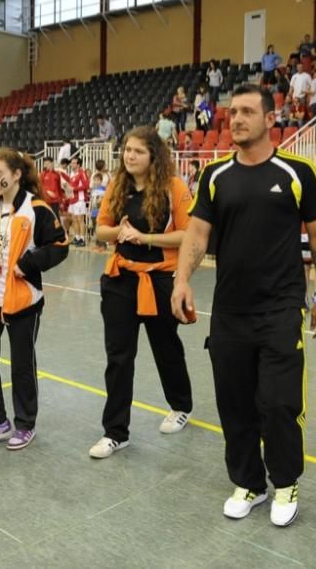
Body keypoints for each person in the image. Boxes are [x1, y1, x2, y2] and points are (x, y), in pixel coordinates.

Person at [172, 83, 316, 527]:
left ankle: (285, 482)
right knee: (235, 403)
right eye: (232, 113)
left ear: (269, 118)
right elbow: (198, 233)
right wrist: (181, 280)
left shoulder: (298, 172)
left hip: (282, 309)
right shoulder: (215, 176)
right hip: (229, 312)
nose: (237, 119)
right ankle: (249, 483)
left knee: (280, 402)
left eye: (247, 112)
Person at [88, 127, 194, 458]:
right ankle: (115, 432)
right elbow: (101, 229)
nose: (130, 156)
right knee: (118, 356)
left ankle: (181, 405)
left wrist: (144, 239)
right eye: (127, 150)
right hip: (120, 279)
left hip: (161, 280)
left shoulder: (173, 188)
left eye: (138, 151)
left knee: (166, 347)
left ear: (154, 157)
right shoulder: (117, 187)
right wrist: (120, 233)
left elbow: (188, 235)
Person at [0, 148, 69, 451]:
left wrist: (30, 263)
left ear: (16, 175)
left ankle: (25, 423)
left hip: (23, 299)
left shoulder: (36, 208)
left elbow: (60, 245)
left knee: (22, 363)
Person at [66, 157, 90, 247]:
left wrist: (74, 188)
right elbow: (71, 187)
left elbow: (86, 185)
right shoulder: (72, 174)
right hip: (72, 199)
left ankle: (82, 239)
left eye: (73, 163)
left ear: (78, 164)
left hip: (80, 199)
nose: (72, 164)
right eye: (71, 163)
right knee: (74, 219)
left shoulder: (82, 173)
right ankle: (77, 237)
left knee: (80, 220)